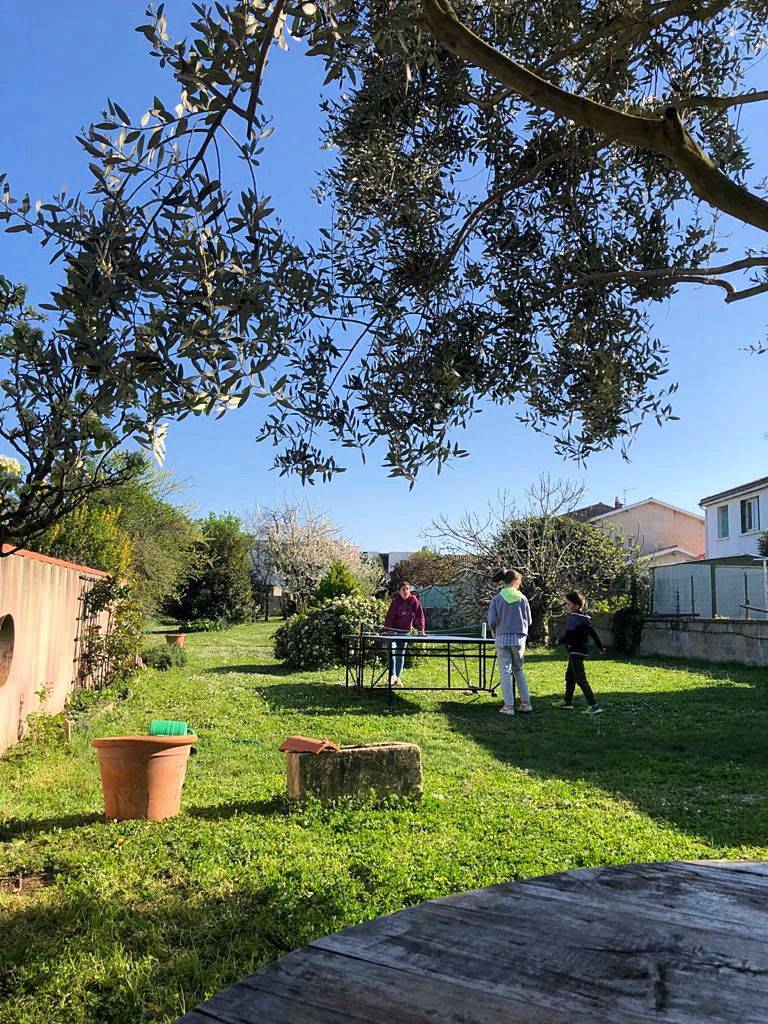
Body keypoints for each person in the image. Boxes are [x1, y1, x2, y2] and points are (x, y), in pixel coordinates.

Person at [487, 569, 533, 715]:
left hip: (501, 638)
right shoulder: (523, 599)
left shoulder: (497, 599)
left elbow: (492, 621)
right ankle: (526, 704)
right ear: (515, 582)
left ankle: (508, 706)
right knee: (519, 670)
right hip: (519, 638)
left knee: (505, 672)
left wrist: (496, 629)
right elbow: (529, 620)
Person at [553, 590, 606, 715]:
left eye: (569, 604)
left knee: (581, 679)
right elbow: (593, 633)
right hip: (580, 651)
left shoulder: (573, 618)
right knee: (570, 677)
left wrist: (559, 641)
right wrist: (600, 646)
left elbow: (569, 636)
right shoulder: (584, 618)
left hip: (575, 651)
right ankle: (567, 701)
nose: (566, 606)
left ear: (576, 606)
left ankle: (594, 706)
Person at [383, 582, 426, 686]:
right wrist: (386, 630)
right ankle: (392, 676)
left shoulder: (413, 600)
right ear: (399, 591)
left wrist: (421, 629)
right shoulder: (396, 601)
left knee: (400, 653)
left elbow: (420, 615)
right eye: (403, 589)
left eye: (407, 589)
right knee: (391, 651)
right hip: (392, 630)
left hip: (405, 631)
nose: (405, 591)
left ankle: (397, 677)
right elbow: (389, 616)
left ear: (409, 590)